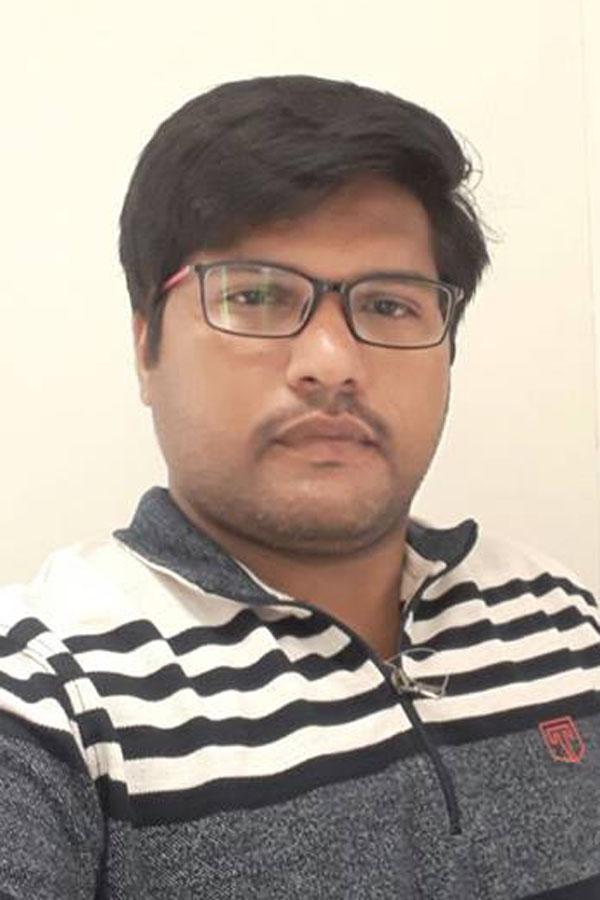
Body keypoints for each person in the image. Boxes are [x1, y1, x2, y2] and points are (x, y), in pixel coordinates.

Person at [1, 75, 599, 900]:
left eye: (388, 305)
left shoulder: (562, 623)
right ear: (146, 345)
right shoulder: (48, 693)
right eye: (254, 294)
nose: (332, 363)